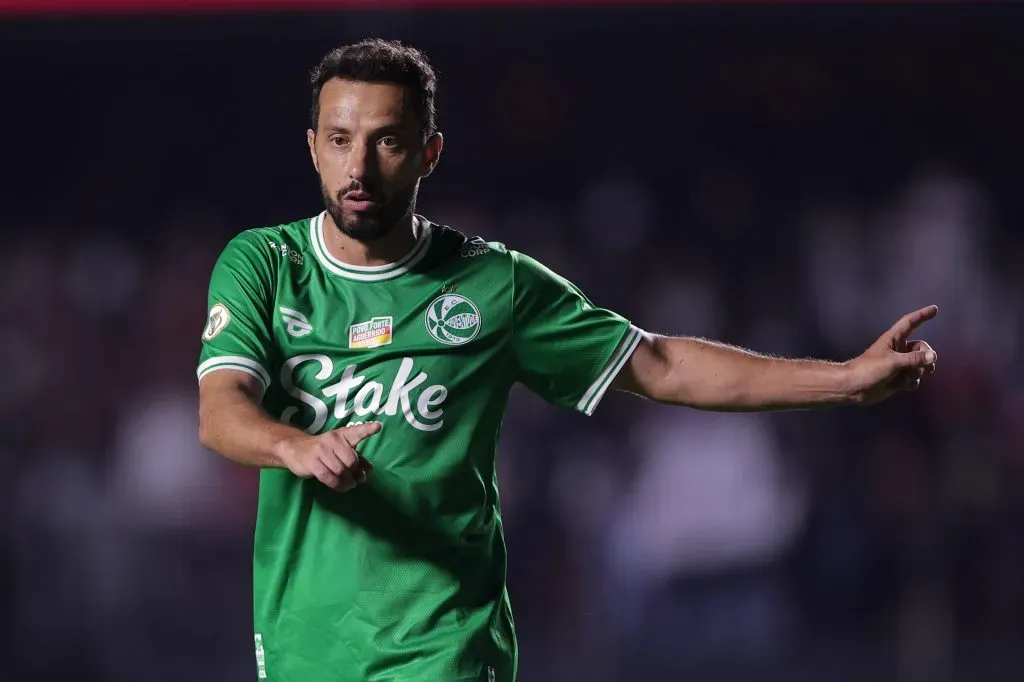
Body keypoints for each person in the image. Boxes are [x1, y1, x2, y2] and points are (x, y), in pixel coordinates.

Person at [196, 38, 938, 682]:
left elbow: (661, 365)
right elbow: (222, 407)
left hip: (442, 646)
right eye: (338, 138)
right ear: (311, 146)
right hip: (305, 645)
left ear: (429, 152)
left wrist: (844, 381)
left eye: (386, 141)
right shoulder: (263, 263)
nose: (358, 164)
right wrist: (295, 446)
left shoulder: (495, 283)